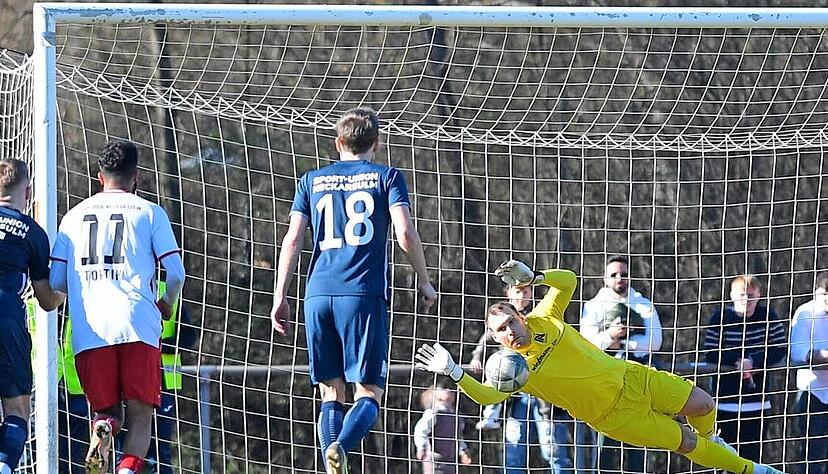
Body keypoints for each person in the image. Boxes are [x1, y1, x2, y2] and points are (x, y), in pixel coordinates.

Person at [416, 259, 784, 474]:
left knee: (704, 405)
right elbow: (485, 394)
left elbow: (569, 281)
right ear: (496, 340)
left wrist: (535, 279)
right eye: (500, 331)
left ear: (520, 316)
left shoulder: (546, 318)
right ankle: (753, 470)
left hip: (633, 377)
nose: (509, 331)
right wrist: (454, 371)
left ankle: (715, 444)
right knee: (686, 441)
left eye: (510, 321)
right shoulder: (516, 370)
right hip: (614, 415)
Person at [270, 107, 437, 474]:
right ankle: (340, 448)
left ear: (337, 143)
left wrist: (280, 294)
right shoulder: (387, 177)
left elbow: (293, 238)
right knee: (369, 392)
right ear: (376, 143)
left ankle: (332, 458)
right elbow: (405, 232)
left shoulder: (311, 180)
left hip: (316, 294)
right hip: (361, 293)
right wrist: (424, 279)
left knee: (330, 391)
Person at [49, 139, 186, 474]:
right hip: (138, 325)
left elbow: (55, 281)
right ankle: (126, 470)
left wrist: (86, 292)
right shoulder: (149, 212)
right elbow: (177, 273)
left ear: (100, 176)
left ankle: (105, 426)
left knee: (107, 411)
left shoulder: (74, 216)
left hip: (90, 331)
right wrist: (166, 303)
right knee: (141, 416)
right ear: (135, 177)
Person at [0, 158, 65, 474]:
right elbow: (48, 301)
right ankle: (4, 465)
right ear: (26, 192)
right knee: (17, 407)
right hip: (7, 318)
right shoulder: (33, 232)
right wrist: (65, 288)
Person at [470, 284, 573, 474]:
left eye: (525, 291)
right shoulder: (498, 318)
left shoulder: (541, 315)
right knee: (514, 448)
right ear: (507, 293)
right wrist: (477, 357)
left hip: (546, 397)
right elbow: (485, 340)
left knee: (553, 450)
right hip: (516, 395)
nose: (521, 295)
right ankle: (491, 414)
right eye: (517, 291)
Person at [579, 255, 663, 473]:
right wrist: (609, 337)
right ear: (605, 278)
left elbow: (655, 342)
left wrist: (625, 343)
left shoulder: (643, 305)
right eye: (614, 275)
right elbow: (586, 343)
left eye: (624, 274)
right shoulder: (593, 306)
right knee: (606, 443)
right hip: (605, 382)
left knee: (638, 442)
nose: (619, 278)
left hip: (639, 380)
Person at [703, 275, 787, 464]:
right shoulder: (719, 318)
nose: (746, 300)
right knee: (723, 460)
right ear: (732, 295)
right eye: (742, 295)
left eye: (751, 295)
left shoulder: (768, 316)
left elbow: (780, 348)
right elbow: (710, 351)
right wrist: (737, 363)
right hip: (725, 404)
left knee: (753, 461)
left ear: (759, 295)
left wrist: (754, 361)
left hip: (758, 403)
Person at [789, 272, 828, 474]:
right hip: (813, 393)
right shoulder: (804, 313)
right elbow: (799, 352)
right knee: (810, 455)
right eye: (824, 294)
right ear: (816, 293)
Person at [413, 385, 472, 474]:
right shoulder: (433, 413)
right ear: (435, 395)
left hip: (451, 460)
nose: (448, 389)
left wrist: (463, 452)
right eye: (443, 388)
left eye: (449, 388)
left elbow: (458, 436)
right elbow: (420, 430)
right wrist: (421, 447)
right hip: (434, 459)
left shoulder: (457, 416)